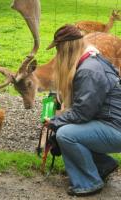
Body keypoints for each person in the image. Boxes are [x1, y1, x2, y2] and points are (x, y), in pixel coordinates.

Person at [45, 24, 121, 196]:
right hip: (112, 123)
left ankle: (88, 182)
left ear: (66, 48)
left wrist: (55, 122)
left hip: (116, 129)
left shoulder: (88, 71)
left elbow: (83, 113)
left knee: (66, 134)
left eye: (58, 48)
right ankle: (102, 166)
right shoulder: (92, 60)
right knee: (67, 129)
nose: (57, 54)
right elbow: (86, 110)